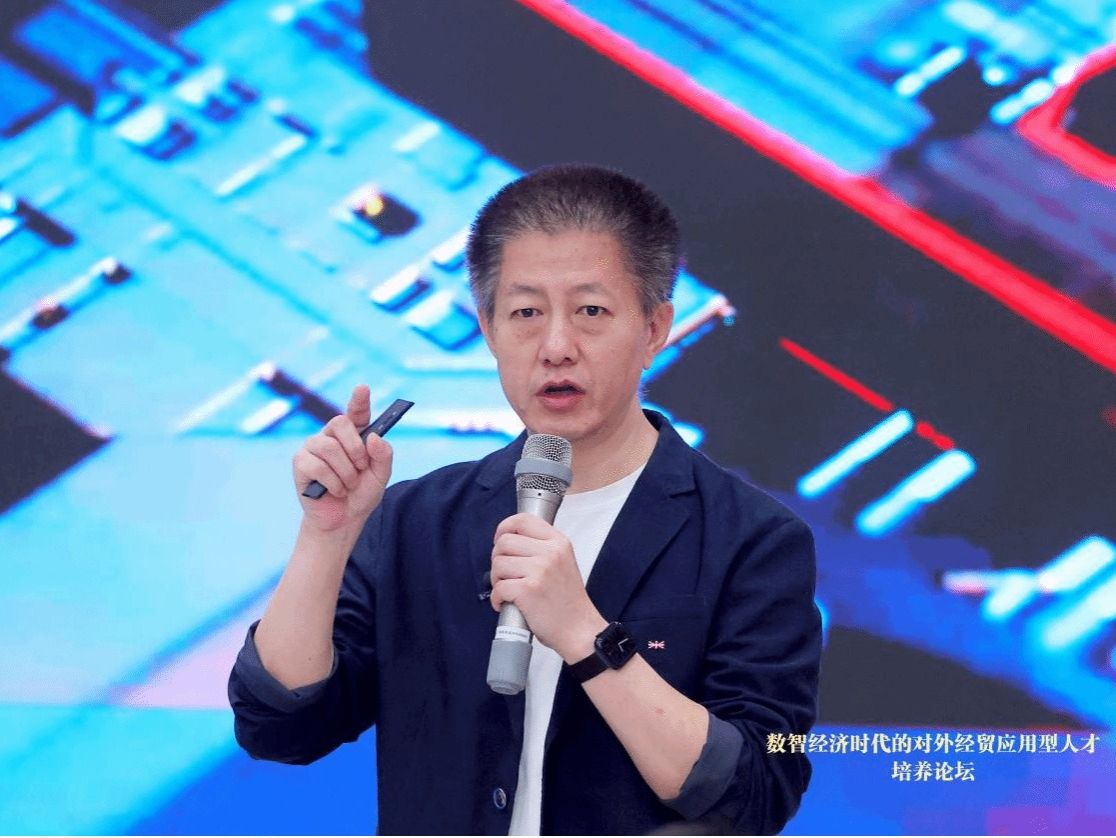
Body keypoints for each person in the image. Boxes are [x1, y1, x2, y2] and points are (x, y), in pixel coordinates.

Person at [227, 164, 822, 835]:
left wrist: (585, 634)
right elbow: (281, 727)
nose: (556, 348)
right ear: (488, 328)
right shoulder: (417, 522)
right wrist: (326, 536)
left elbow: (755, 793)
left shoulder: (753, 540)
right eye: (526, 313)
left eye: (591, 312)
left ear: (655, 328)